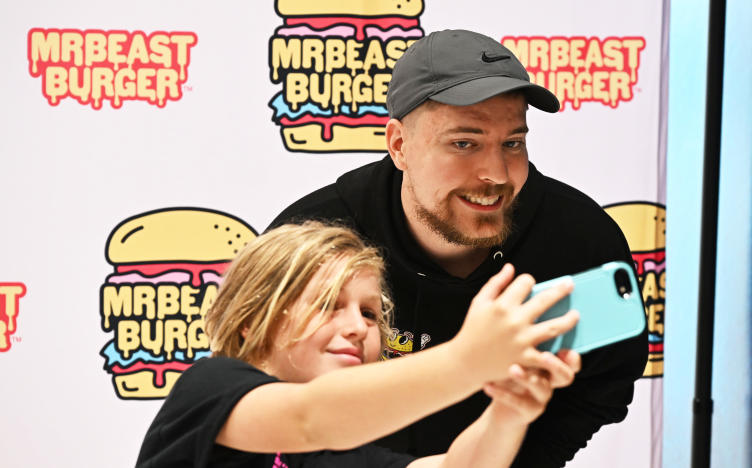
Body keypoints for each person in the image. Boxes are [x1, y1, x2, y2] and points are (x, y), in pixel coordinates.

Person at [267, 29, 649, 466]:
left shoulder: (578, 238)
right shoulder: (314, 238)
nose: (496, 173)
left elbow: (606, 381)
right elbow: (266, 387)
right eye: (463, 143)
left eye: (512, 143)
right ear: (399, 145)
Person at [135, 221, 581, 468]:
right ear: (254, 320)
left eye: (369, 313)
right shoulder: (210, 387)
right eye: (330, 304)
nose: (358, 327)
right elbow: (310, 416)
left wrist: (509, 412)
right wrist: (468, 359)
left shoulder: (337, 452)